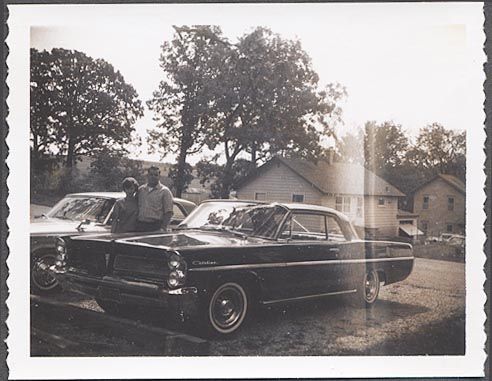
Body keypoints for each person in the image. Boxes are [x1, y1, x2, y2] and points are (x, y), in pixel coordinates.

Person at [136, 166, 174, 232]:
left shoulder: (165, 191)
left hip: (155, 226)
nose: (153, 177)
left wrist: (163, 228)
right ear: (147, 176)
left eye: (156, 175)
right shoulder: (141, 190)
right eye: (151, 174)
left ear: (159, 177)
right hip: (140, 225)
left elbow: (168, 212)